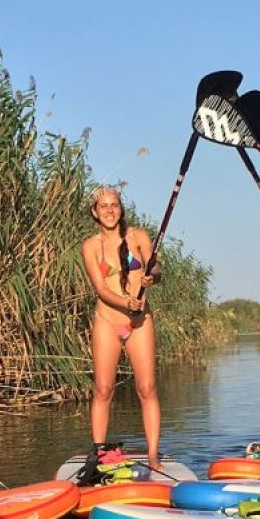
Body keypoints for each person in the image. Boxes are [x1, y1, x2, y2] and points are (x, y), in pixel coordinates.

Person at [81, 186, 161, 467]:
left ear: (121, 208)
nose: (109, 210)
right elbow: (101, 289)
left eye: (114, 205)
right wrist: (125, 302)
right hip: (107, 322)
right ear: (95, 212)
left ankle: (152, 456)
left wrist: (152, 276)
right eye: (103, 206)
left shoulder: (138, 236)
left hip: (139, 322)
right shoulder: (91, 246)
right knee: (103, 389)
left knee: (147, 387)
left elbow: (155, 268)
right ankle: (99, 452)